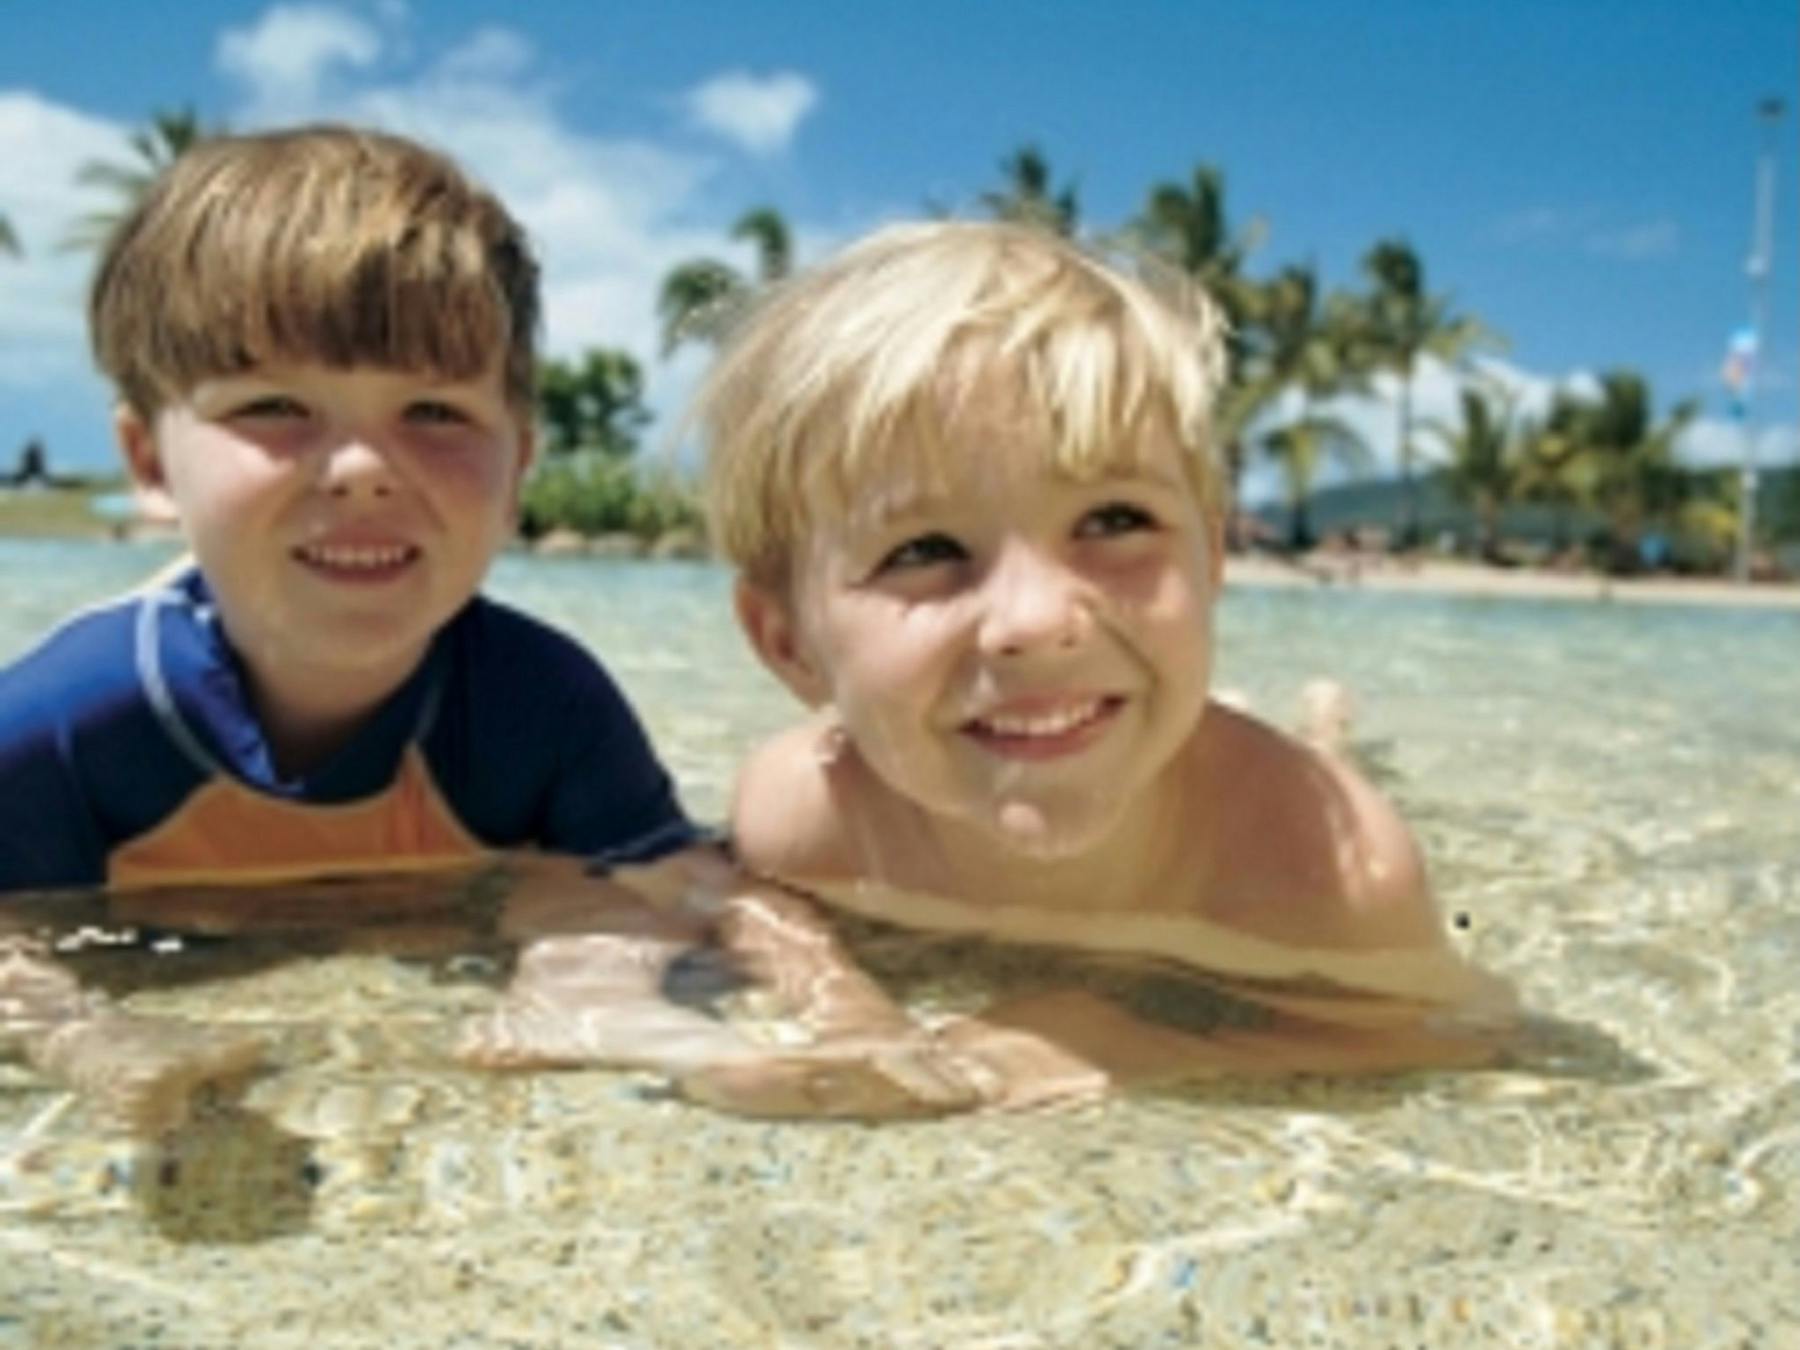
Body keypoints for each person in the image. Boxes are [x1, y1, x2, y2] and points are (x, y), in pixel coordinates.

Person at [689, 221, 1515, 1109]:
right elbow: (750, 901)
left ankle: (1326, 731)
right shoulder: (800, 818)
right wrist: (845, 1007)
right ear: (788, 645)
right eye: (923, 547)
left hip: (1255, 794)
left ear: (1212, 563)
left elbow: (1451, 1030)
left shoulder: (1335, 868)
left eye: (1115, 521)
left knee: (1323, 771)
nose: (1040, 621)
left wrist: (1116, 1034)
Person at [0, 125, 704, 1128]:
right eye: (276, 405)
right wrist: (92, 1040)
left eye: (435, 412)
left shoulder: (542, 705)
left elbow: (676, 879)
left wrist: (609, 990)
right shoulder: (69, 725)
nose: (364, 466)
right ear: (149, 463)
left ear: (518, 470)